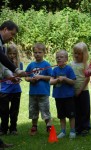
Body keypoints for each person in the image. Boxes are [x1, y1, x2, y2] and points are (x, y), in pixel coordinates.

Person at [0, 20, 26, 149]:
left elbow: (1, 65)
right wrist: (16, 70)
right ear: (4, 29)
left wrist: (10, 76)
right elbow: (1, 58)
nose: (12, 37)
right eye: (12, 33)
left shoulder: (2, 45)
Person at [25, 43, 52, 136]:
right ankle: (34, 127)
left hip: (43, 93)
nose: (37, 54)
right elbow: (26, 76)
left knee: (45, 110)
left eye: (39, 52)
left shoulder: (46, 64)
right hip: (33, 93)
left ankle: (49, 126)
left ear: (44, 53)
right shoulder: (31, 65)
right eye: (35, 52)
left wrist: (41, 77)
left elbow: (50, 77)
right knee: (33, 110)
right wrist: (30, 79)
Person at [50, 50, 76, 139]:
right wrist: (57, 80)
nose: (59, 58)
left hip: (68, 96)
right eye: (57, 57)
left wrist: (65, 79)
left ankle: (72, 131)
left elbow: (73, 82)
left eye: (61, 57)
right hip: (58, 96)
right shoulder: (55, 70)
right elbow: (50, 81)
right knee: (61, 116)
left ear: (66, 59)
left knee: (71, 115)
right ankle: (63, 131)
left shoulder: (69, 69)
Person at [0, 44, 23, 135]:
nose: (12, 55)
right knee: (3, 111)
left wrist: (17, 77)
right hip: (4, 91)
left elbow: (19, 75)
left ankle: (13, 128)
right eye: (10, 53)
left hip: (16, 91)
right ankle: (3, 129)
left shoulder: (19, 64)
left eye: (14, 54)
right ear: (6, 54)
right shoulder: (2, 65)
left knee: (14, 111)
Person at [70, 42, 91, 136]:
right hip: (73, 91)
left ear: (84, 54)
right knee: (75, 110)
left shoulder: (85, 64)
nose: (77, 55)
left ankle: (85, 128)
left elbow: (87, 79)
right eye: (75, 53)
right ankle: (77, 128)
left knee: (84, 110)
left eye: (79, 53)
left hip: (83, 91)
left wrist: (80, 90)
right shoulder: (71, 64)